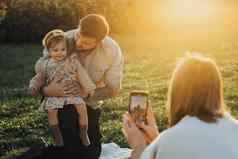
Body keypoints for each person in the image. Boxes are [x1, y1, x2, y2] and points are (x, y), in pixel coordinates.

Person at [38, 14, 123, 159]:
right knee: (71, 150)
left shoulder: (111, 50)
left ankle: (46, 151)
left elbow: (113, 89)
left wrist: (86, 93)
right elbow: (39, 80)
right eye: (78, 36)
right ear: (78, 27)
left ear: (99, 42)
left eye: (86, 43)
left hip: (89, 102)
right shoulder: (59, 41)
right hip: (60, 100)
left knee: (91, 153)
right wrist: (50, 90)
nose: (78, 43)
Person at [122, 53, 238, 159]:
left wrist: (138, 147)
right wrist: (156, 139)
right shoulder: (234, 129)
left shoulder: (169, 141)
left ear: (176, 93)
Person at [28, 29, 96, 146]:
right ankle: (57, 134)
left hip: (71, 93)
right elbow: (39, 78)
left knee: (82, 107)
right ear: (48, 51)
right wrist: (33, 86)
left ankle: (83, 132)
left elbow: (82, 75)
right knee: (51, 111)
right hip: (54, 94)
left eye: (63, 49)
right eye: (55, 50)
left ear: (67, 49)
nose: (60, 53)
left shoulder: (71, 61)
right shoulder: (46, 64)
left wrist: (89, 88)